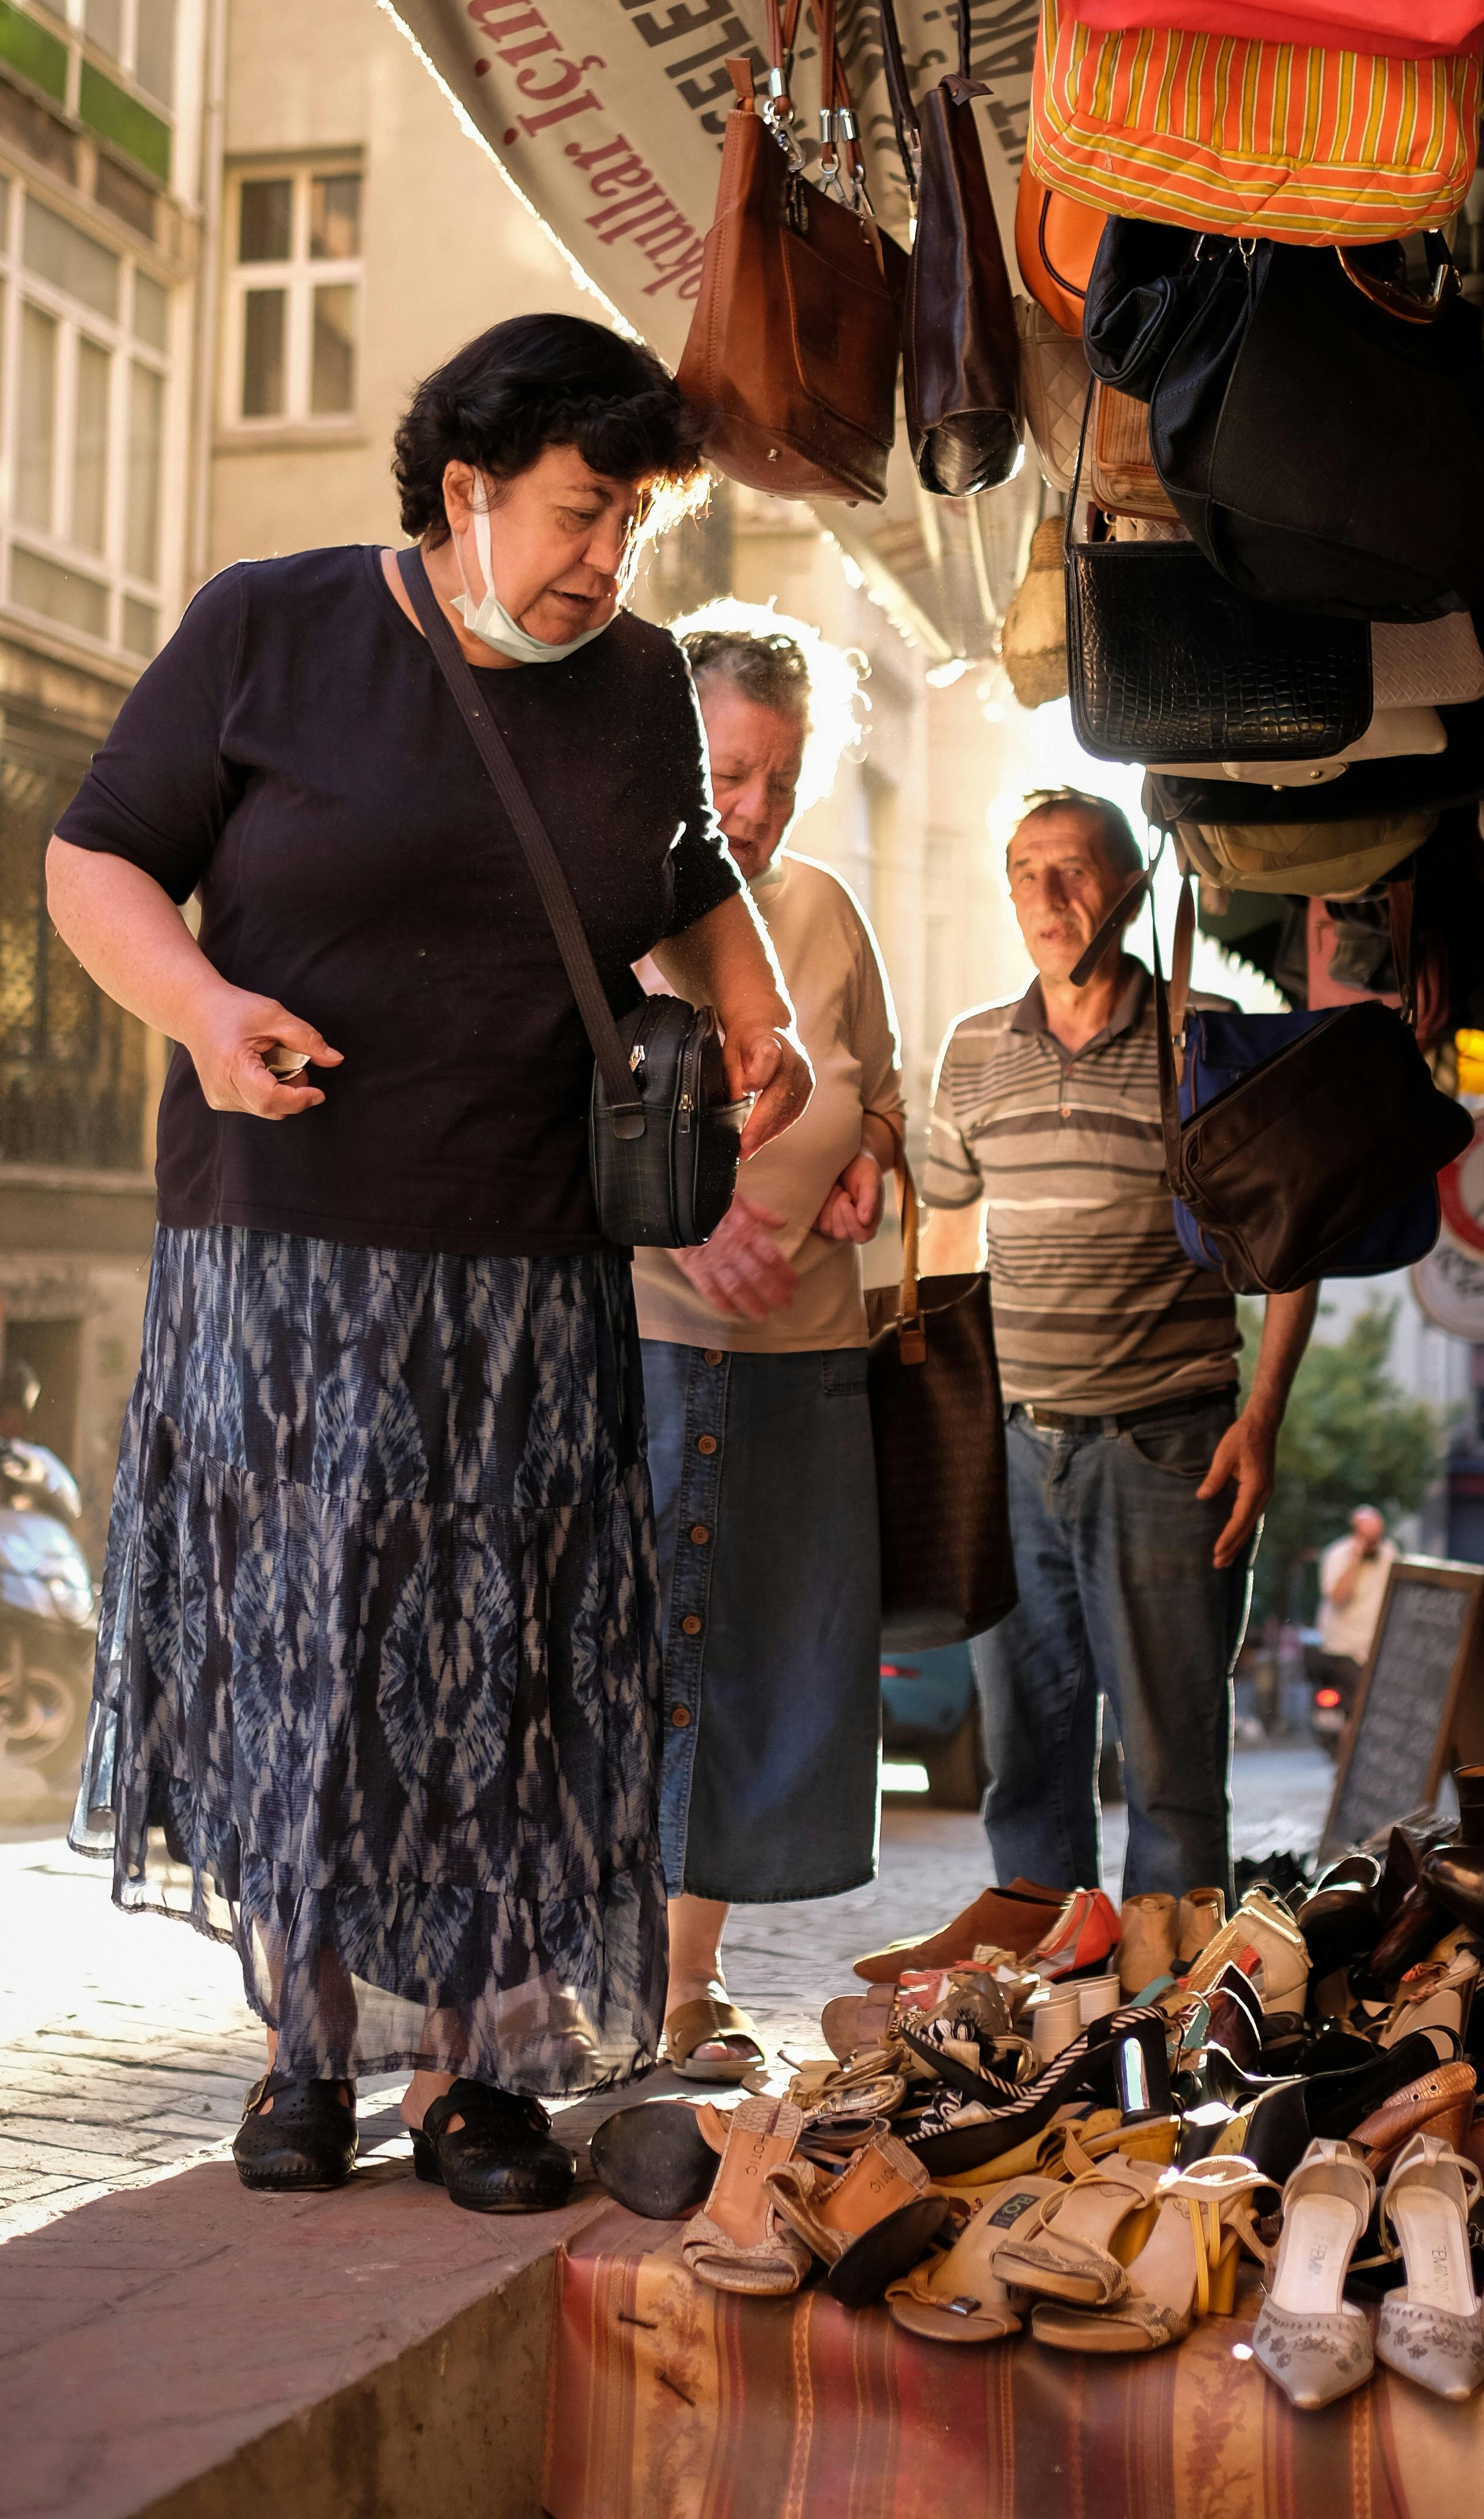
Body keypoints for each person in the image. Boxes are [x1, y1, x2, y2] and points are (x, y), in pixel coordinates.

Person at [45, 315, 811, 2215]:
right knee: (309, 1658)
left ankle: (481, 2077)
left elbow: (688, 872)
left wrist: (754, 1006)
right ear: (462, 491)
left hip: (525, 1266)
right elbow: (98, 861)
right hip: (280, 1265)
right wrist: (205, 1007)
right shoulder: (270, 626)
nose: (603, 560)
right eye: (577, 512)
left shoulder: (632, 683)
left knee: (501, 1670)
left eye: (628, 523)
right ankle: (302, 2062)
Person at [922, 789, 1318, 1903]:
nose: (1047, 898)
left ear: (1131, 885)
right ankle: (1051, 2017)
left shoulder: (1201, 1043)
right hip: (1013, 1457)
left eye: (1074, 870)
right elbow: (944, 1236)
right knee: (1026, 1771)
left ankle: (1168, 2032)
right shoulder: (971, 1053)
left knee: (1169, 1774)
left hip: (1164, 1453)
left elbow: (1293, 1243)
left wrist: (1261, 1421)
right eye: (1024, 872)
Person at [631, 613, 902, 2083]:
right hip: (655, 1347)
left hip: (808, 1358)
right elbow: (560, 1129)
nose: (752, 808)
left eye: (780, 779)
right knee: (651, 1660)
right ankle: (630, 1991)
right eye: (730, 772)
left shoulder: (827, 912)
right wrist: (687, 1233)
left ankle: (693, 1986)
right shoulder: (627, 910)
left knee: (755, 1673)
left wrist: (871, 1168)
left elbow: (881, 1087)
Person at [1316, 1504, 1398, 1675]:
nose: (1374, 1544)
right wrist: (1355, 1560)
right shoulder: (1337, 1555)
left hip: (1375, 1648)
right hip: (1344, 1647)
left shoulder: (1389, 1553)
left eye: (1377, 1538)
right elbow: (1338, 1598)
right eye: (1369, 1539)